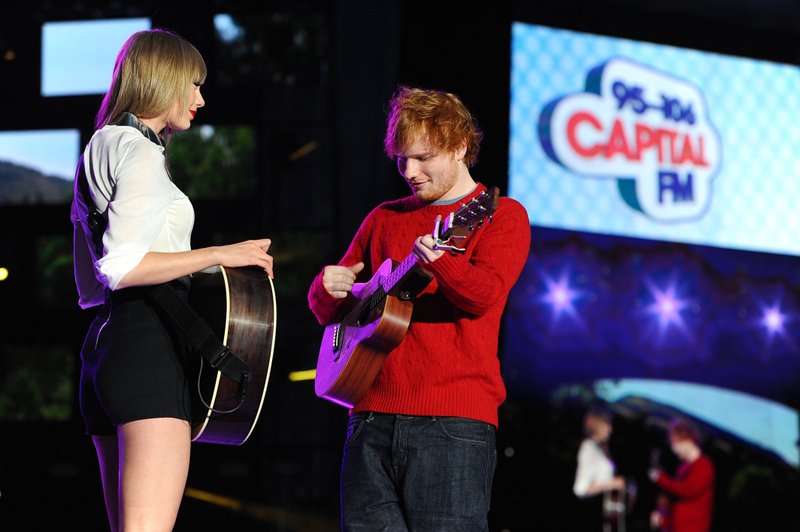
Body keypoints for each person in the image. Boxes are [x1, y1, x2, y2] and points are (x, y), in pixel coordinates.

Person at [70, 29, 274, 532]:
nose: (200, 99)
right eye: (194, 85)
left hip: (105, 350)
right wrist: (221, 254)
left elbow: (90, 288)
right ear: (164, 79)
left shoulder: (98, 146)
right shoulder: (138, 150)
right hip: (147, 352)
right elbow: (121, 269)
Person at [307, 85, 531, 530]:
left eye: (423, 157)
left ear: (460, 147)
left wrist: (441, 262)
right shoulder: (383, 218)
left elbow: (483, 296)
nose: (409, 171)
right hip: (368, 418)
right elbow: (332, 313)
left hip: (453, 424)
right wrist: (326, 288)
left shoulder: (501, 215)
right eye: (401, 159)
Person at [649, 418, 715, 532]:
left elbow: (687, 490)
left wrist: (661, 479)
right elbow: (677, 502)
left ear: (688, 440)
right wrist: (663, 520)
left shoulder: (704, 466)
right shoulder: (683, 467)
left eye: (675, 443)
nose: (673, 448)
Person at [573, 406, 628, 532]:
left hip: (606, 516)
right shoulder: (588, 448)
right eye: (607, 424)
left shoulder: (600, 448)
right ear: (597, 426)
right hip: (593, 518)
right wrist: (611, 484)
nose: (610, 429)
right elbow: (580, 489)